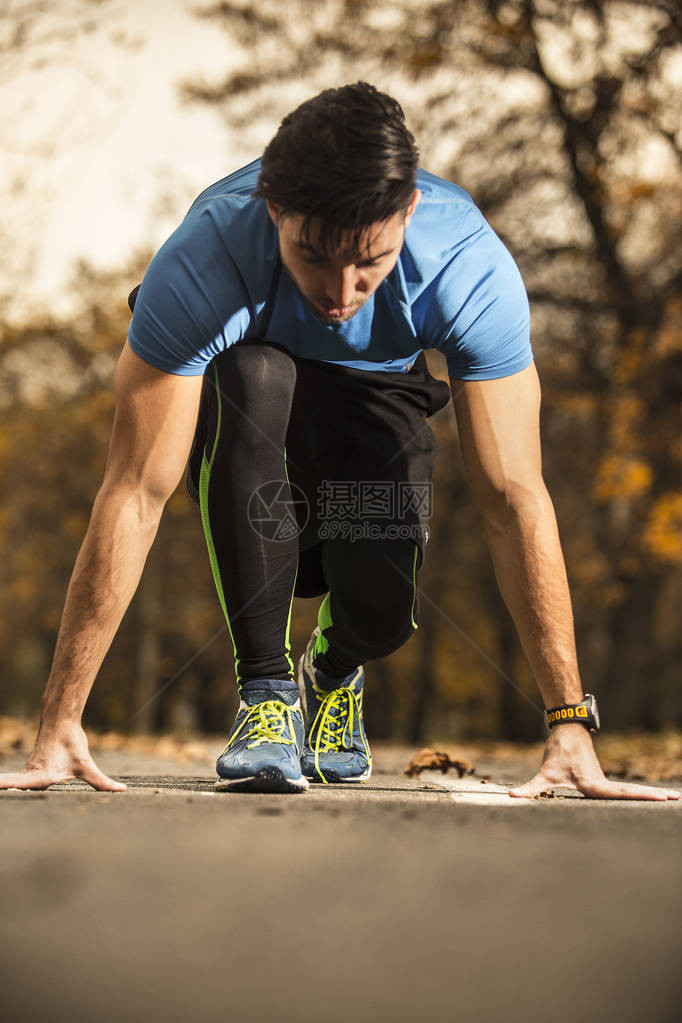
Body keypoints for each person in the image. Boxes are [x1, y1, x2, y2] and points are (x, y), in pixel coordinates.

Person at [1, 83, 677, 801]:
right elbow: (134, 490)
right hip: (252, 439)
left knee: (384, 610)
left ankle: (332, 670)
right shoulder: (209, 254)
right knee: (252, 373)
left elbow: (514, 496)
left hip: (375, 414)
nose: (341, 290)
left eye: (370, 261)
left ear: (408, 212)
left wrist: (570, 722)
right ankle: (265, 697)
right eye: (315, 256)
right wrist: (59, 722)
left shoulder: (466, 264)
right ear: (275, 210)